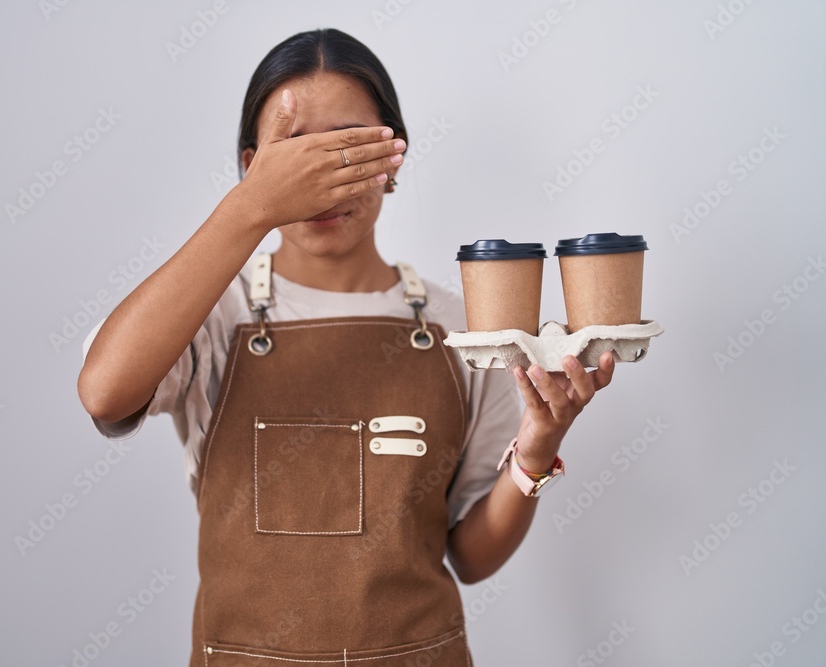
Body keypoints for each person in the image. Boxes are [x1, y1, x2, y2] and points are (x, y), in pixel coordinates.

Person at [78, 27, 614, 666]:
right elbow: (105, 394)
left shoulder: (458, 327)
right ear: (253, 167)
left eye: (348, 148)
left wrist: (534, 453)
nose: (322, 178)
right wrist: (249, 209)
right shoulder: (207, 316)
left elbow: (470, 555)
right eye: (294, 153)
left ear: (394, 161)